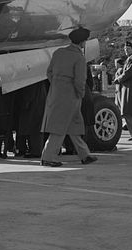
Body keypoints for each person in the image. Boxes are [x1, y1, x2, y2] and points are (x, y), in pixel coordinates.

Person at [40, 28, 98, 167]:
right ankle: (48, 157)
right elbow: (80, 80)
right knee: (59, 128)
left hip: (55, 94)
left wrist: (57, 85)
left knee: (74, 127)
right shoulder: (79, 57)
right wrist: (81, 94)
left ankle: (85, 154)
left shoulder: (59, 53)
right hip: (71, 97)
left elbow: (49, 72)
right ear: (83, 42)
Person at [12, 80, 47, 159]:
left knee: (33, 126)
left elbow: (30, 92)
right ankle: (34, 149)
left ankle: (34, 150)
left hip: (32, 102)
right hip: (38, 100)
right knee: (35, 126)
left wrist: (25, 102)